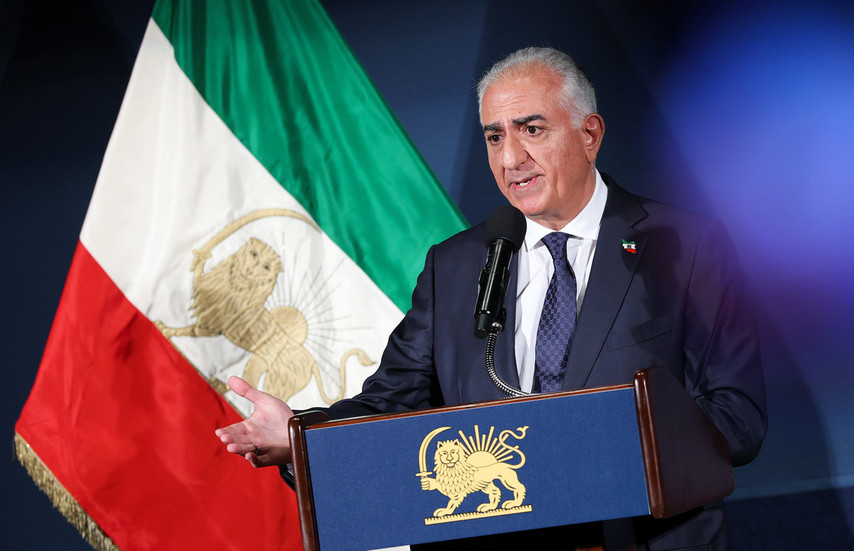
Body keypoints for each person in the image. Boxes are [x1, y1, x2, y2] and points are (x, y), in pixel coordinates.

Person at [216, 47, 766, 550]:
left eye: (532, 129)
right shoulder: (455, 266)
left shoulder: (685, 246)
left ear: (590, 134)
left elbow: (736, 416)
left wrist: (601, 450)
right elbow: (390, 404)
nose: (511, 158)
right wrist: (299, 437)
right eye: (494, 137)